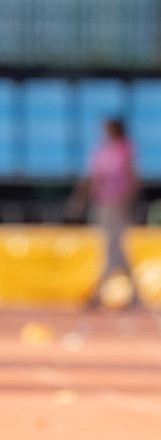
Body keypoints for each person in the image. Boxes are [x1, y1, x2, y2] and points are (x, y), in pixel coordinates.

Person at [70, 117, 139, 308]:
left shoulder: (124, 148)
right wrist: (81, 199)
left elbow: (132, 176)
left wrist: (128, 201)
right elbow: (92, 177)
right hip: (103, 202)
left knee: (113, 246)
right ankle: (135, 293)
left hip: (118, 202)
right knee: (115, 247)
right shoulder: (101, 150)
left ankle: (99, 292)